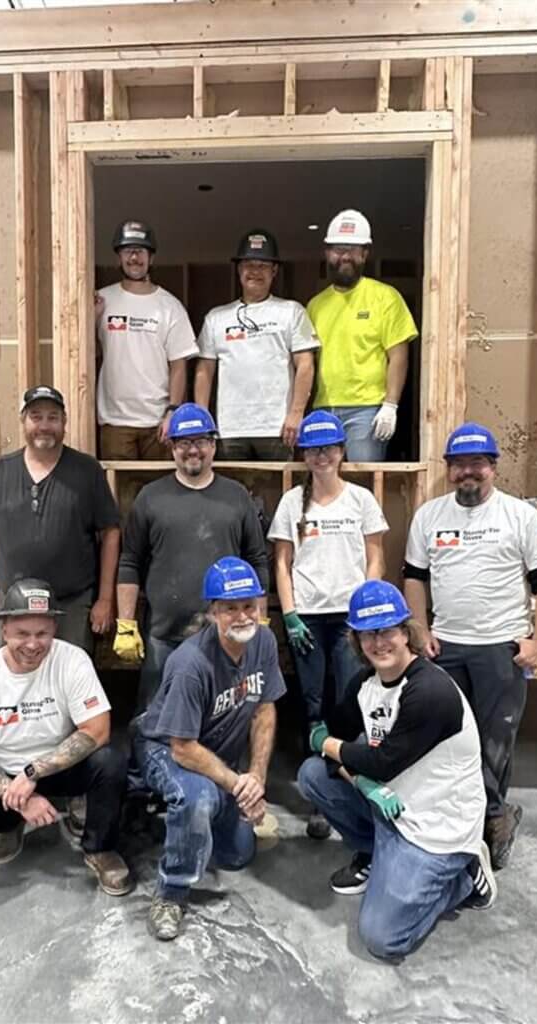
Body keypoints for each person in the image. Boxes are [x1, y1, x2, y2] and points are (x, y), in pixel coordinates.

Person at [299, 580, 496, 962]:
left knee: (382, 937)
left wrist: (327, 746)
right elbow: (336, 749)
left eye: (387, 630)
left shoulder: (430, 692)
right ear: (356, 640)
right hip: (394, 806)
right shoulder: (365, 685)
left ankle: (464, 876)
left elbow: (375, 760)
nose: (379, 642)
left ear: (406, 633)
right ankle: (376, 852)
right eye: (368, 634)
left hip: (437, 828)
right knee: (312, 776)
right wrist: (360, 781)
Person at [403, 422, 537, 869]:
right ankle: (454, 814)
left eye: (476, 464)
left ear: (493, 467)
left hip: (500, 648)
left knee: (494, 740)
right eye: (458, 465)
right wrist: (420, 628)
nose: (467, 473)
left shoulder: (520, 516)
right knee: (447, 734)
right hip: (446, 646)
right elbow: (414, 576)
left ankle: (494, 816)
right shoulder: (429, 516)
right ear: (449, 470)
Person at [0, 578, 132, 895]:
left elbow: (98, 730)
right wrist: (17, 794)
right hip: (5, 774)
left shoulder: (72, 661)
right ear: (4, 630)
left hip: (57, 768)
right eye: (22, 634)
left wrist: (33, 773)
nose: (33, 644)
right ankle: (11, 821)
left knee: (111, 760)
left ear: (54, 629)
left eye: (42, 634)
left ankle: (99, 849)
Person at [133, 557, 285, 940]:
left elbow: (264, 710)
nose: (242, 616)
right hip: (164, 745)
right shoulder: (191, 664)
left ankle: (186, 825)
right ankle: (171, 891)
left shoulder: (263, 641)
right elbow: (183, 749)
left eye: (248, 605)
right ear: (213, 612)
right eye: (230, 608)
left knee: (237, 855)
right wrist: (236, 785)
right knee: (197, 797)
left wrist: (256, 780)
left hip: (213, 751)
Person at [268, 410, 388, 839]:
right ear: (305, 455)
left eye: (329, 447)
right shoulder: (291, 503)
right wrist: (291, 613)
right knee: (314, 702)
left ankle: (351, 782)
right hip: (309, 618)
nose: (321, 455)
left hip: (350, 620)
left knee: (349, 699)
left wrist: (366, 612)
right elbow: (282, 563)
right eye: (314, 448)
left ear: (341, 451)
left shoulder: (360, 501)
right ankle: (318, 794)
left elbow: (375, 557)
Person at [114, 403, 269, 711]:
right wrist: (126, 623)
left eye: (200, 441)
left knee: (221, 720)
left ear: (213, 445)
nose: (192, 450)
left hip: (224, 636)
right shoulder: (150, 498)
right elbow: (130, 561)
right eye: (184, 443)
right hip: (164, 635)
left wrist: (258, 617)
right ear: (172, 447)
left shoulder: (237, 496)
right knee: (154, 720)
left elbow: (257, 559)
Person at [0, 385, 120, 656]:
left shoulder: (87, 471)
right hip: (14, 608)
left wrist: (105, 599)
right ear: (23, 421)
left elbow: (110, 533)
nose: (44, 425)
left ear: (64, 423)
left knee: (70, 686)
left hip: (71, 606)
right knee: (15, 685)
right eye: (36, 416)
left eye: (53, 417)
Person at [194, 228, 319, 460]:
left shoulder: (292, 311)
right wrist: (202, 420)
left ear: (274, 271)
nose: (255, 271)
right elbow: (205, 370)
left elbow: (305, 364)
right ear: (239, 270)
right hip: (230, 429)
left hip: (278, 428)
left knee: (278, 493)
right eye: (249, 265)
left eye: (262, 265)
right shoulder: (216, 317)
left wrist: (296, 413)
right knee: (231, 494)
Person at [307, 209, 418, 462]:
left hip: (366, 410)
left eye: (352, 249)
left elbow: (399, 356)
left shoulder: (385, 297)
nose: (344, 256)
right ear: (327, 252)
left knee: (365, 483)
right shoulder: (315, 305)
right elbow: (305, 363)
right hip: (323, 408)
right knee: (323, 482)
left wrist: (390, 406)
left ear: (365, 254)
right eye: (338, 249)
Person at [95, 219, 199, 460]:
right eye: (128, 251)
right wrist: (93, 319)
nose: (134, 258)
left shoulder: (170, 306)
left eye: (140, 251)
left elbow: (178, 365)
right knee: (117, 494)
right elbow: (83, 356)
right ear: (118, 256)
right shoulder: (102, 299)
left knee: (161, 494)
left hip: (158, 422)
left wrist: (173, 411)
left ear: (151, 258)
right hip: (115, 421)